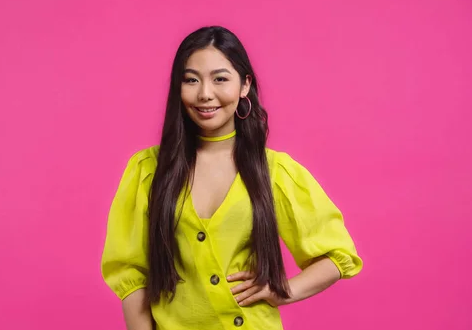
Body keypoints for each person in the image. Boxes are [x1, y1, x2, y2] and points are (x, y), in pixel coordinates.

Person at [101, 25, 363, 330]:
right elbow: (131, 276)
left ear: (244, 85)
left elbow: (338, 255)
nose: (205, 94)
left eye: (220, 79)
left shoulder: (274, 171)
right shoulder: (148, 170)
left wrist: (282, 292)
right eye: (191, 80)